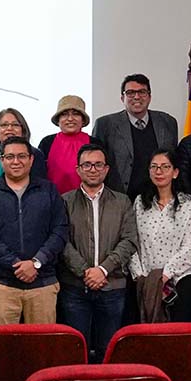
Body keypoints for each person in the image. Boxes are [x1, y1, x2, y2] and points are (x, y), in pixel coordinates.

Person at [0, 137, 69, 325]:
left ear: (31, 159)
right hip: (1, 284)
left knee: (42, 349)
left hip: (43, 283)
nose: (16, 161)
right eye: (10, 156)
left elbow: (60, 230)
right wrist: (16, 263)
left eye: (21, 156)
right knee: (1, 348)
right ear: (1, 160)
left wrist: (36, 262)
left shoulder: (48, 190)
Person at [59, 143, 138, 359]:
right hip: (75, 287)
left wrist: (102, 270)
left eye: (98, 165)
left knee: (109, 351)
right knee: (76, 350)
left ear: (106, 169)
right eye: (87, 165)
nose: (92, 169)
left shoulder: (122, 202)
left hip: (112, 286)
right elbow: (61, 241)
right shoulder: (64, 201)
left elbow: (129, 240)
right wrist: (86, 271)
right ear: (78, 169)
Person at [129, 149, 191, 323]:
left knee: (175, 339)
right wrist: (139, 275)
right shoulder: (140, 202)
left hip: (178, 280)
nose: (158, 171)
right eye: (154, 167)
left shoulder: (189, 204)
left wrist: (166, 274)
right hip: (144, 281)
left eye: (165, 167)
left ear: (175, 172)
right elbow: (132, 241)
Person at [91, 74, 179, 199]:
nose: (137, 97)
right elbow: (97, 163)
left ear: (149, 97)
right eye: (131, 92)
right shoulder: (105, 124)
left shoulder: (167, 122)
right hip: (119, 200)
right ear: (122, 97)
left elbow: (174, 159)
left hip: (159, 199)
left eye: (142, 92)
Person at [38, 95, 92, 195]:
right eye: (64, 114)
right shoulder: (47, 143)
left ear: (83, 120)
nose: (70, 119)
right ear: (58, 120)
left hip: (86, 202)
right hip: (52, 200)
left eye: (75, 114)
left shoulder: (94, 143)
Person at [0, 108, 47, 183]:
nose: (9, 128)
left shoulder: (35, 154)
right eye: (4, 125)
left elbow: (39, 186)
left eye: (15, 125)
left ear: (23, 130)